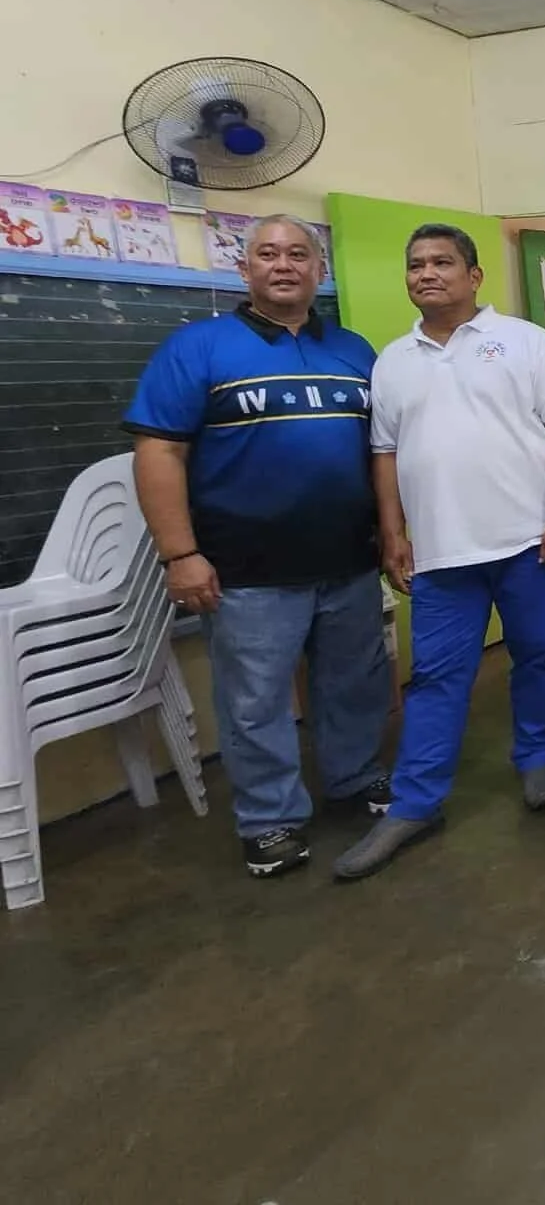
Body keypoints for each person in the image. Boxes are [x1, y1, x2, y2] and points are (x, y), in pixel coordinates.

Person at [125, 215, 392, 879]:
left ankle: (355, 780)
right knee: (255, 702)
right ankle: (270, 820)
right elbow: (159, 451)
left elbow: (383, 454)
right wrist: (179, 554)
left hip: (349, 560)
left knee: (356, 685)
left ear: (319, 270)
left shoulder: (357, 352)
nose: (283, 264)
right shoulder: (198, 349)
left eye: (298, 254)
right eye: (267, 254)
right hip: (245, 571)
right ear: (244, 271)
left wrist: (391, 535)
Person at [335, 224, 545, 880]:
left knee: (539, 653)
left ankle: (535, 759)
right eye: (415, 264)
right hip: (443, 554)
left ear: (475, 276)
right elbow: (384, 454)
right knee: (438, 677)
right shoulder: (392, 361)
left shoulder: (528, 343)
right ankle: (416, 802)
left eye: (442, 262)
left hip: (530, 541)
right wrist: (393, 534)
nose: (426, 273)